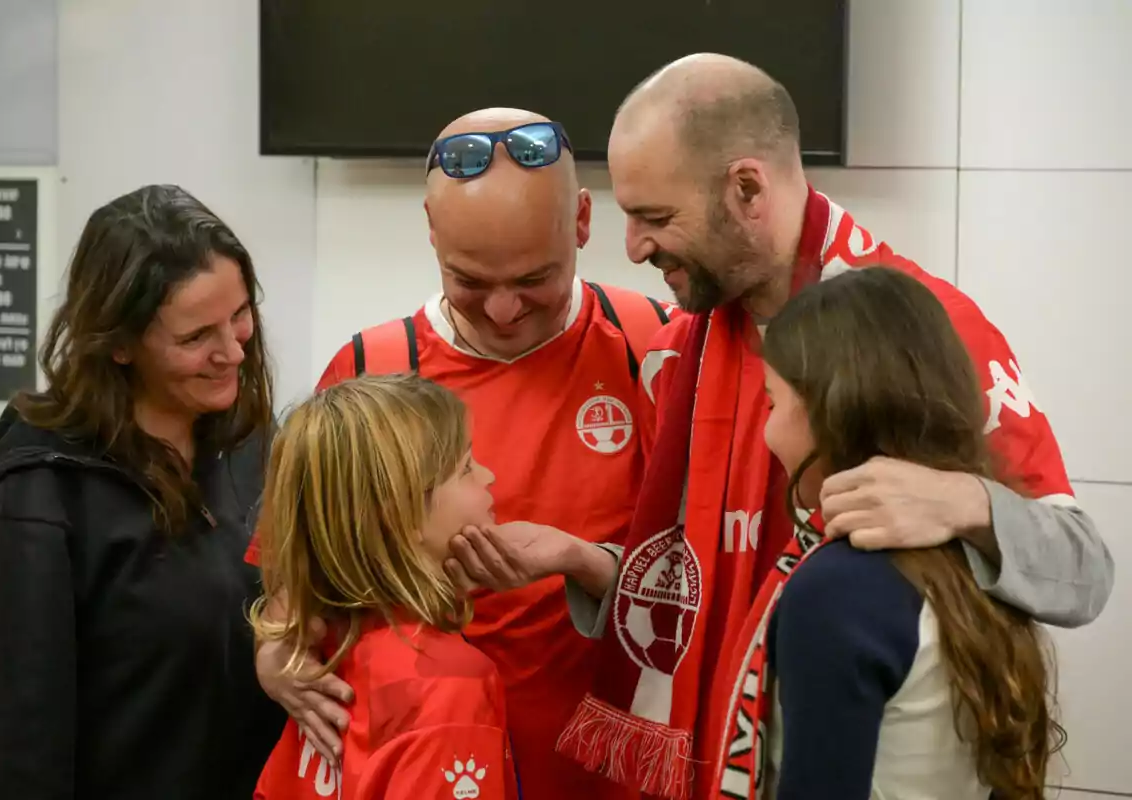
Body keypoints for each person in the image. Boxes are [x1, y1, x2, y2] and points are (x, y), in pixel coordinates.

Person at [448, 55, 1112, 800]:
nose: (632, 247)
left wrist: (967, 504)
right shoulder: (678, 352)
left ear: (747, 189)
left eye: (656, 218)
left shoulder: (920, 331)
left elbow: (1086, 572)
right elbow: (706, 588)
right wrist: (587, 560)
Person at [250, 108, 674, 800]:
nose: (504, 310)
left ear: (582, 223)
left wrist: (584, 562)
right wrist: (276, 649)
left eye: (536, 279)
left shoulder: (652, 347)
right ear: (429, 229)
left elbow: (712, 585)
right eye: (470, 282)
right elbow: (295, 568)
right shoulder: (370, 373)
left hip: (607, 771)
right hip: (415, 761)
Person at [0, 184, 287, 800]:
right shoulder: (35, 496)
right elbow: (17, 753)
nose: (233, 350)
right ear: (119, 345)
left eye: (240, 316)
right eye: (195, 337)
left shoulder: (248, 445)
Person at [755, 266, 1063, 798]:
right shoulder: (972, 556)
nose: (766, 432)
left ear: (829, 414)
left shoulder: (837, 590)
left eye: (772, 403)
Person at [250, 374, 516, 800]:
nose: (487, 476)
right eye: (465, 467)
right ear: (403, 516)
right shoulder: (451, 684)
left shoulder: (322, 653)